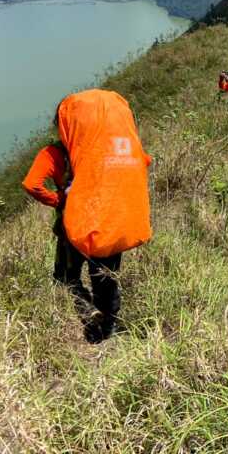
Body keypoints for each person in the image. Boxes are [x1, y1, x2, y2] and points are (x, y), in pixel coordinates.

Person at [38, 89, 152, 343]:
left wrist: (60, 200)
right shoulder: (107, 149)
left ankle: (103, 329)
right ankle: (108, 323)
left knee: (85, 276)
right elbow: (144, 160)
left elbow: (33, 184)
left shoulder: (69, 153)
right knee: (106, 274)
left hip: (84, 222)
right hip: (116, 215)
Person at [22, 139, 93, 311]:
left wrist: (60, 200)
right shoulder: (97, 145)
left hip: (71, 223)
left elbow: (31, 185)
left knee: (66, 276)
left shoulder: (53, 153)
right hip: (103, 217)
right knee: (103, 272)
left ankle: (84, 311)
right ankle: (108, 318)